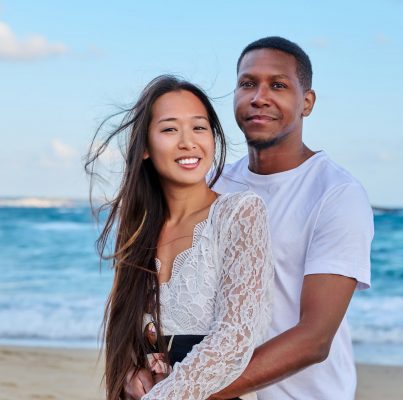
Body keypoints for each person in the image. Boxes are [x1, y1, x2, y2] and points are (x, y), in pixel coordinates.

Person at [85, 75, 273, 400]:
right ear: (144, 146)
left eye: (199, 127)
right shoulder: (139, 230)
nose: (188, 142)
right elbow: (130, 333)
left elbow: (235, 336)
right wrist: (130, 372)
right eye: (170, 129)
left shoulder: (239, 213)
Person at [207, 36, 374, 400]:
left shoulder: (336, 193)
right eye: (247, 83)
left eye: (278, 85)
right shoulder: (212, 186)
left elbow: (314, 338)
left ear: (307, 103)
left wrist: (190, 391)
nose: (259, 97)